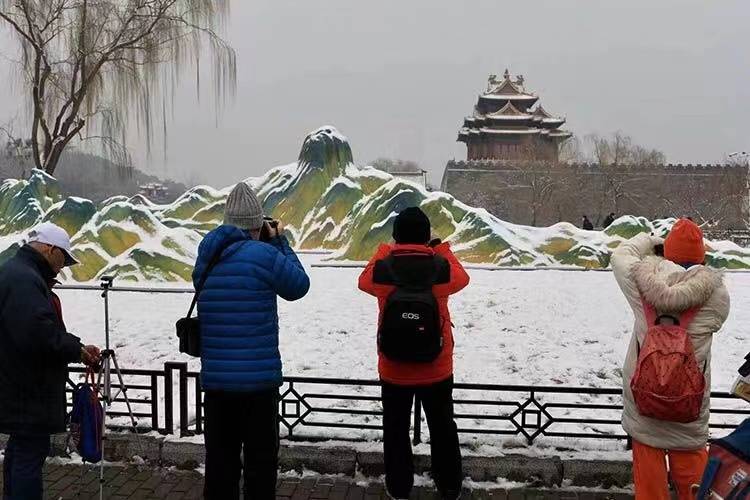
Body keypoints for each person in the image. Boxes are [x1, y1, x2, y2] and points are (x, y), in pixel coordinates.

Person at [195, 182, 310, 500]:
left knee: (220, 465)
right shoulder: (262, 254)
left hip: (217, 384)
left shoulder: (207, 254)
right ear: (257, 224)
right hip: (259, 385)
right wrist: (279, 241)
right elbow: (298, 285)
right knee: (260, 467)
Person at [611, 219, 730, 500]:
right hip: (688, 407)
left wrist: (650, 240)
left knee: (649, 485)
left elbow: (620, 256)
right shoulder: (717, 295)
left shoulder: (641, 285)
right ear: (701, 256)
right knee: (695, 487)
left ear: (667, 251)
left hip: (645, 403)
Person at [358, 207, 470, 500]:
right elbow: (463, 277)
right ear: (425, 236)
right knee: (442, 426)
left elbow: (363, 280)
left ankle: (399, 487)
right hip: (436, 366)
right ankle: (448, 485)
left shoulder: (385, 269)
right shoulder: (440, 268)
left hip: (394, 367)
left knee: (395, 428)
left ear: (396, 237)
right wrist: (440, 247)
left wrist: (386, 248)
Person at [0, 222, 100, 500]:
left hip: (17, 384)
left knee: (20, 451)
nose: (63, 266)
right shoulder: (24, 279)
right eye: (63, 258)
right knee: (29, 455)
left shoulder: (18, 272)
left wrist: (75, 346)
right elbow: (39, 334)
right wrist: (77, 349)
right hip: (28, 389)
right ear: (49, 249)